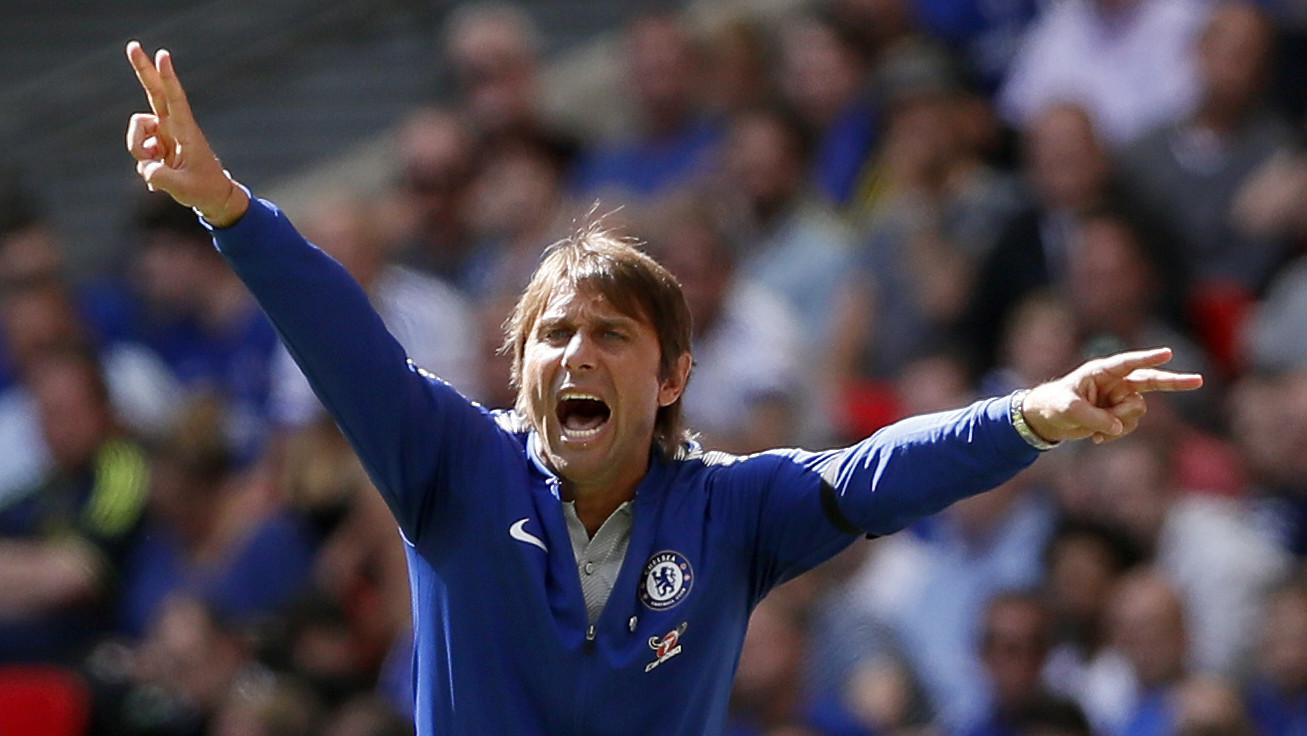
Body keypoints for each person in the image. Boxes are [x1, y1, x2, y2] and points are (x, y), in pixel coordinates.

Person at [123, 41, 1202, 735]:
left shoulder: (735, 510)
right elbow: (340, 336)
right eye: (552, 335)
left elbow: (875, 473)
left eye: (609, 335)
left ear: (674, 372)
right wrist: (226, 205)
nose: (576, 355)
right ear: (519, 364)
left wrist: (1030, 416)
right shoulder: (450, 462)